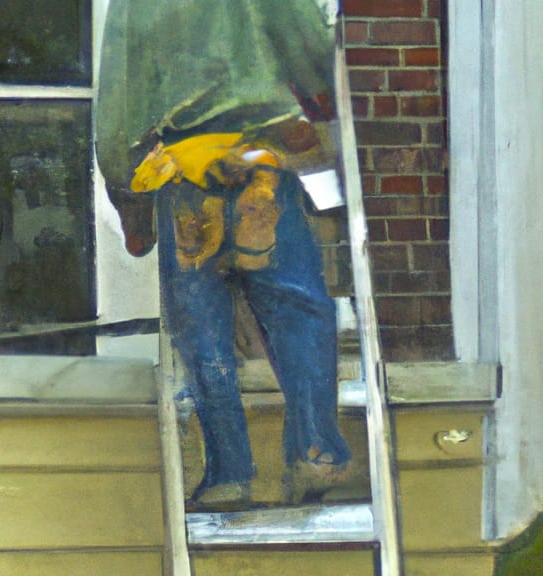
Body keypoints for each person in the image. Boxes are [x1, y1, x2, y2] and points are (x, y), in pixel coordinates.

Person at [95, 0, 352, 510]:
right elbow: (313, 56)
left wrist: (127, 194)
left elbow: (119, 104)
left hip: (184, 175)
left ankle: (228, 475)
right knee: (299, 309)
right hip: (265, 161)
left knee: (202, 331)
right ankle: (316, 449)